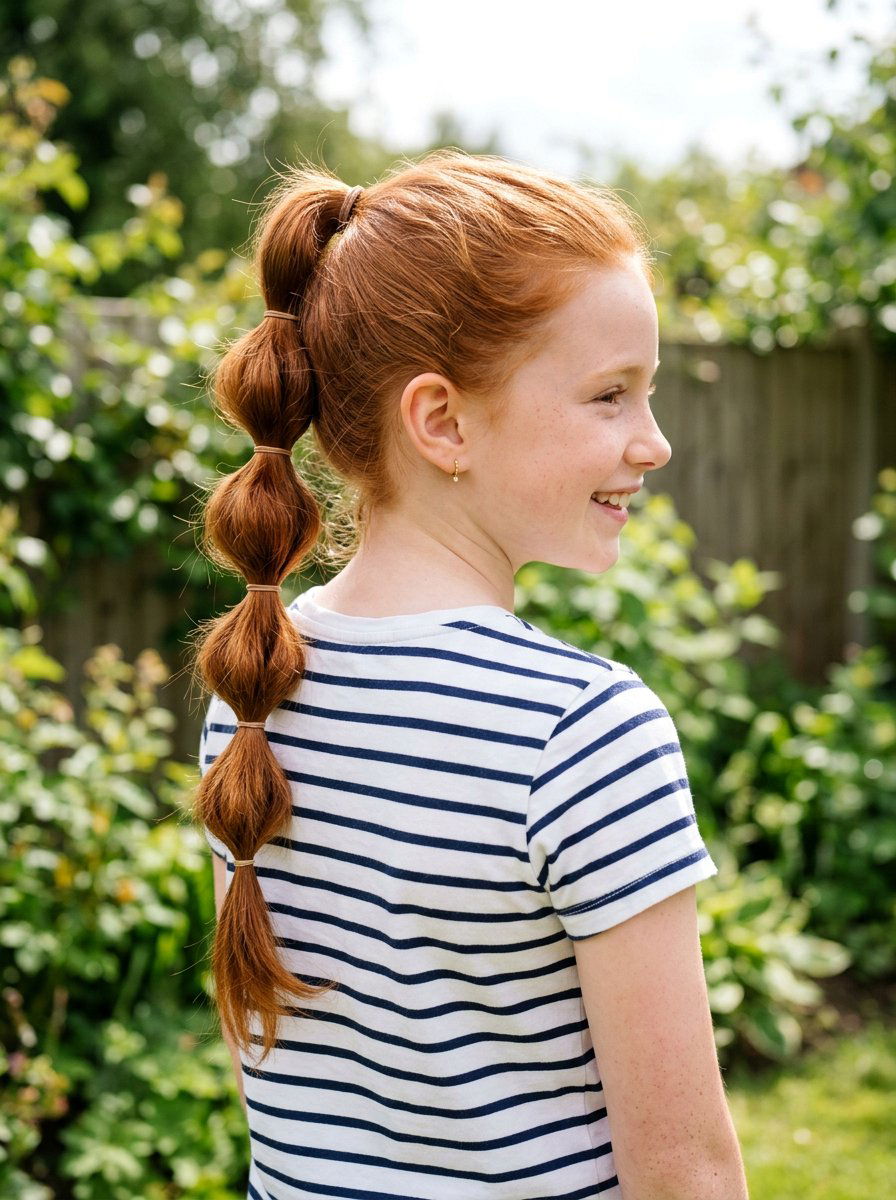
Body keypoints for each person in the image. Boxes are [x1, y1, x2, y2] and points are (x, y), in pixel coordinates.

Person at [193, 149, 749, 1200]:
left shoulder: (251, 690)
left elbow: (285, 1084)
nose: (655, 443)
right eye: (609, 397)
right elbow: (680, 1168)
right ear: (441, 422)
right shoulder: (581, 732)